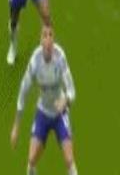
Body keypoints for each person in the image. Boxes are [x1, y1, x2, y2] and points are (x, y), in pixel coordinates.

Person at [10, 25, 78, 175]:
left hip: (60, 114)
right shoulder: (35, 62)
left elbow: (72, 90)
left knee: (69, 160)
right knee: (32, 159)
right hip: (43, 113)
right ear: (40, 41)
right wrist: (16, 125)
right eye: (44, 36)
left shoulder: (60, 58)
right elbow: (23, 91)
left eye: (50, 35)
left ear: (53, 40)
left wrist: (65, 101)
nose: (48, 40)